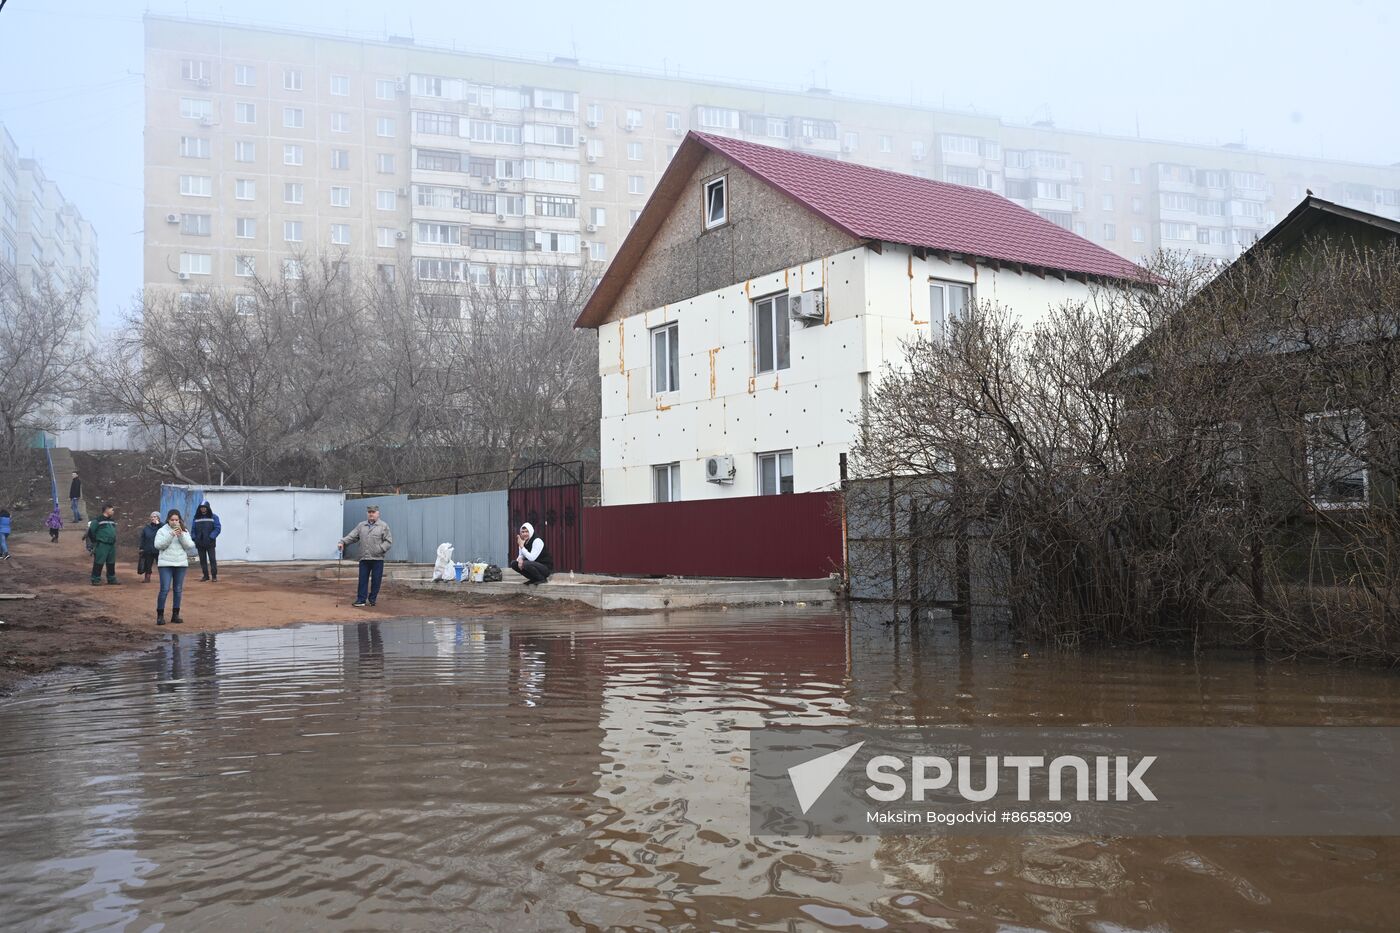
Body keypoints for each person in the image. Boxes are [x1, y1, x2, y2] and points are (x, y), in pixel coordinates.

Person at [338, 505, 392, 608]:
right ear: (367, 514)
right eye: (369, 512)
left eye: (373, 512)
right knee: (362, 580)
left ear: (378, 513)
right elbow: (352, 536)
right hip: (364, 558)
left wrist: (379, 549)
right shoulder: (361, 526)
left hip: (377, 559)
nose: (371, 514)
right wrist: (342, 542)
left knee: (376, 580)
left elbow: (388, 542)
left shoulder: (383, 526)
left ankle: (372, 599)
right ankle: (361, 600)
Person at [153, 508, 195, 625]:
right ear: (168, 520)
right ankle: (160, 615)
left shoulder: (184, 530)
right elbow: (158, 545)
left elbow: (190, 545)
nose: (174, 522)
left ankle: (175, 614)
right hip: (166, 564)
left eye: (176, 520)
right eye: (172, 520)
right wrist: (171, 535)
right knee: (165, 589)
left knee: (178, 590)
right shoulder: (162, 531)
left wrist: (181, 535)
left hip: (180, 563)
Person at [87, 505, 120, 586]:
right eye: (112, 510)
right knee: (99, 562)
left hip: (111, 545)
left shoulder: (112, 521)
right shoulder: (97, 520)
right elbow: (91, 532)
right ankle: (95, 579)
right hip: (102, 545)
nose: (113, 512)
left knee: (111, 562)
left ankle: (111, 578)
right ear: (107, 510)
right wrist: (95, 542)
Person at [191, 501, 221, 582]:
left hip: (210, 542)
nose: (203, 509)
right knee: (202, 560)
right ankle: (205, 576)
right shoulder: (196, 518)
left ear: (208, 508)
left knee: (212, 559)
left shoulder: (214, 517)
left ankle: (214, 576)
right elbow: (193, 530)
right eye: (201, 507)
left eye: (204, 507)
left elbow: (217, 528)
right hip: (200, 543)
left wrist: (211, 537)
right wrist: (194, 538)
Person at [137, 511, 162, 582]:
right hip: (148, 549)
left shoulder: (162, 526)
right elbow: (143, 538)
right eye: (152, 517)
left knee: (161, 565)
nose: (153, 518)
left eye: (155, 517)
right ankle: (147, 578)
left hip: (159, 549)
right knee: (148, 564)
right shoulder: (147, 528)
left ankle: (163, 578)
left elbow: (165, 532)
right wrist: (141, 548)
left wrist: (159, 524)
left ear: (159, 518)